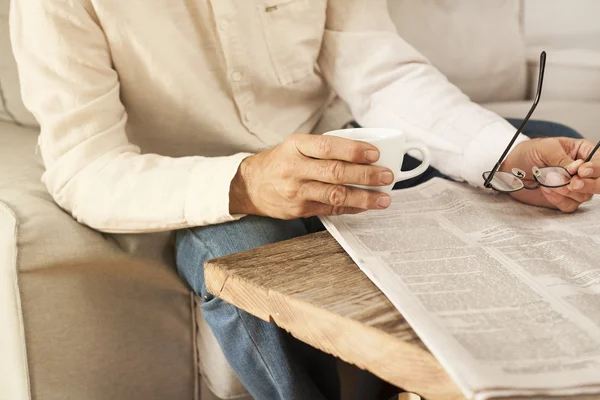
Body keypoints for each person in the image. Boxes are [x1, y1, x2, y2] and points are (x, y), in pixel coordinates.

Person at [10, 1, 600, 399]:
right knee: (243, 259)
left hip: (339, 155)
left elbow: (382, 75)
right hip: (206, 190)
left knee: (533, 149)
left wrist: (501, 154)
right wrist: (245, 182)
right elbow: (85, 168)